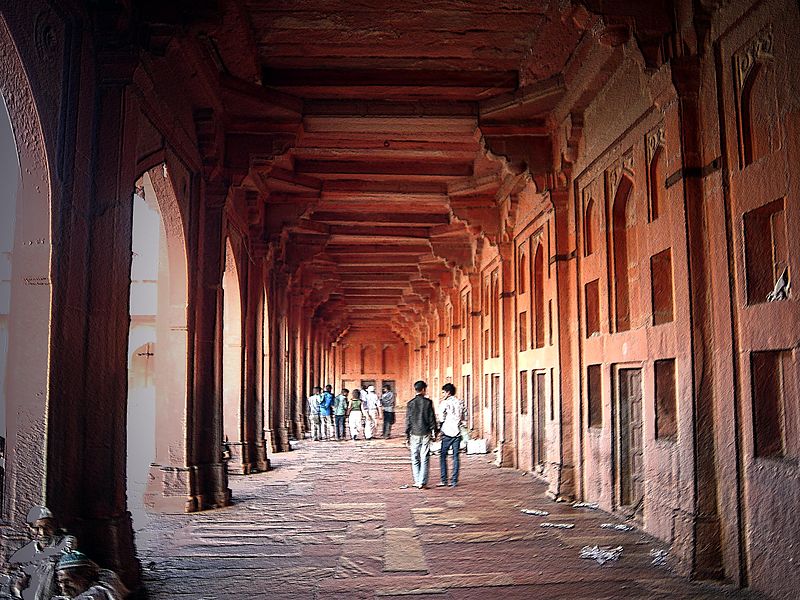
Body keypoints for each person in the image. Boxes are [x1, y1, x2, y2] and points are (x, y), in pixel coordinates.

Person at [7, 505, 77, 600]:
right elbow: (12, 565)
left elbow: (60, 555)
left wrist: (29, 564)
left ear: (54, 527)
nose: (42, 533)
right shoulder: (27, 550)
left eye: (47, 527)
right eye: (37, 528)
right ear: (29, 529)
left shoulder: (67, 540)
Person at [51, 551, 128, 599]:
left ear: (87, 576)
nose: (63, 587)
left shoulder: (99, 591)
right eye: (60, 582)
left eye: (67, 581)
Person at [404, 380, 438, 489]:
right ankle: (422, 482)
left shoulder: (410, 403)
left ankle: (417, 480)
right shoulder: (428, 402)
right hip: (425, 432)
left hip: (414, 433)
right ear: (423, 389)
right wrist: (434, 432)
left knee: (415, 457)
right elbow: (431, 419)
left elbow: (408, 420)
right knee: (424, 457)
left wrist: (407, 435)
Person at [437, 383, 466, 488]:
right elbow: (463, 417)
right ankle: (454, 481)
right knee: (455, 457)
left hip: (447, 432)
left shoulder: (444, 403)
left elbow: (441, 418)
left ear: (448, 392)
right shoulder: (460, 402)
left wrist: (440, 428)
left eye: (443, 392)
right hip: (457, 432)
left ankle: (444, 480)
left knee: (443, 456)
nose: (442, 394)